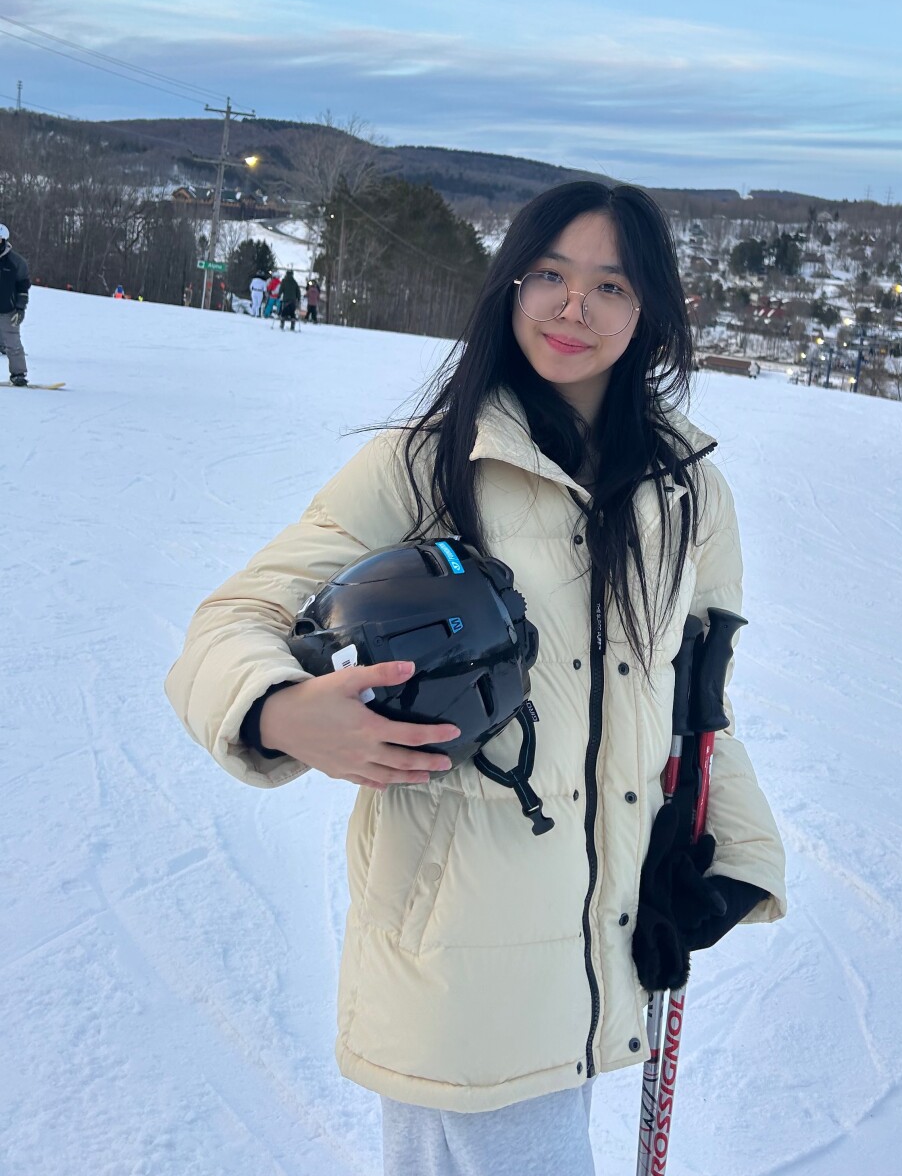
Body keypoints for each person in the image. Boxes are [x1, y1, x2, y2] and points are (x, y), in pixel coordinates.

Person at [165, 181, 786, 1176]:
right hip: (458, 955)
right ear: (510, 287)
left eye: (611, 285)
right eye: (549, 275)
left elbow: (696, 700)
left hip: (598, 944)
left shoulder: (688, 492)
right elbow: (231, 622)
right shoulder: (428, 464)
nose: (573, 307)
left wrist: (728, 857)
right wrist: (278, 710)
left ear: (650, 311)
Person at [0, 222, 31, 386]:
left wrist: (20, 309)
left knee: (13, 344)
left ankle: (18, 374)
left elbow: (23, 288)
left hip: (8, 310)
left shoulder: (16, 262)